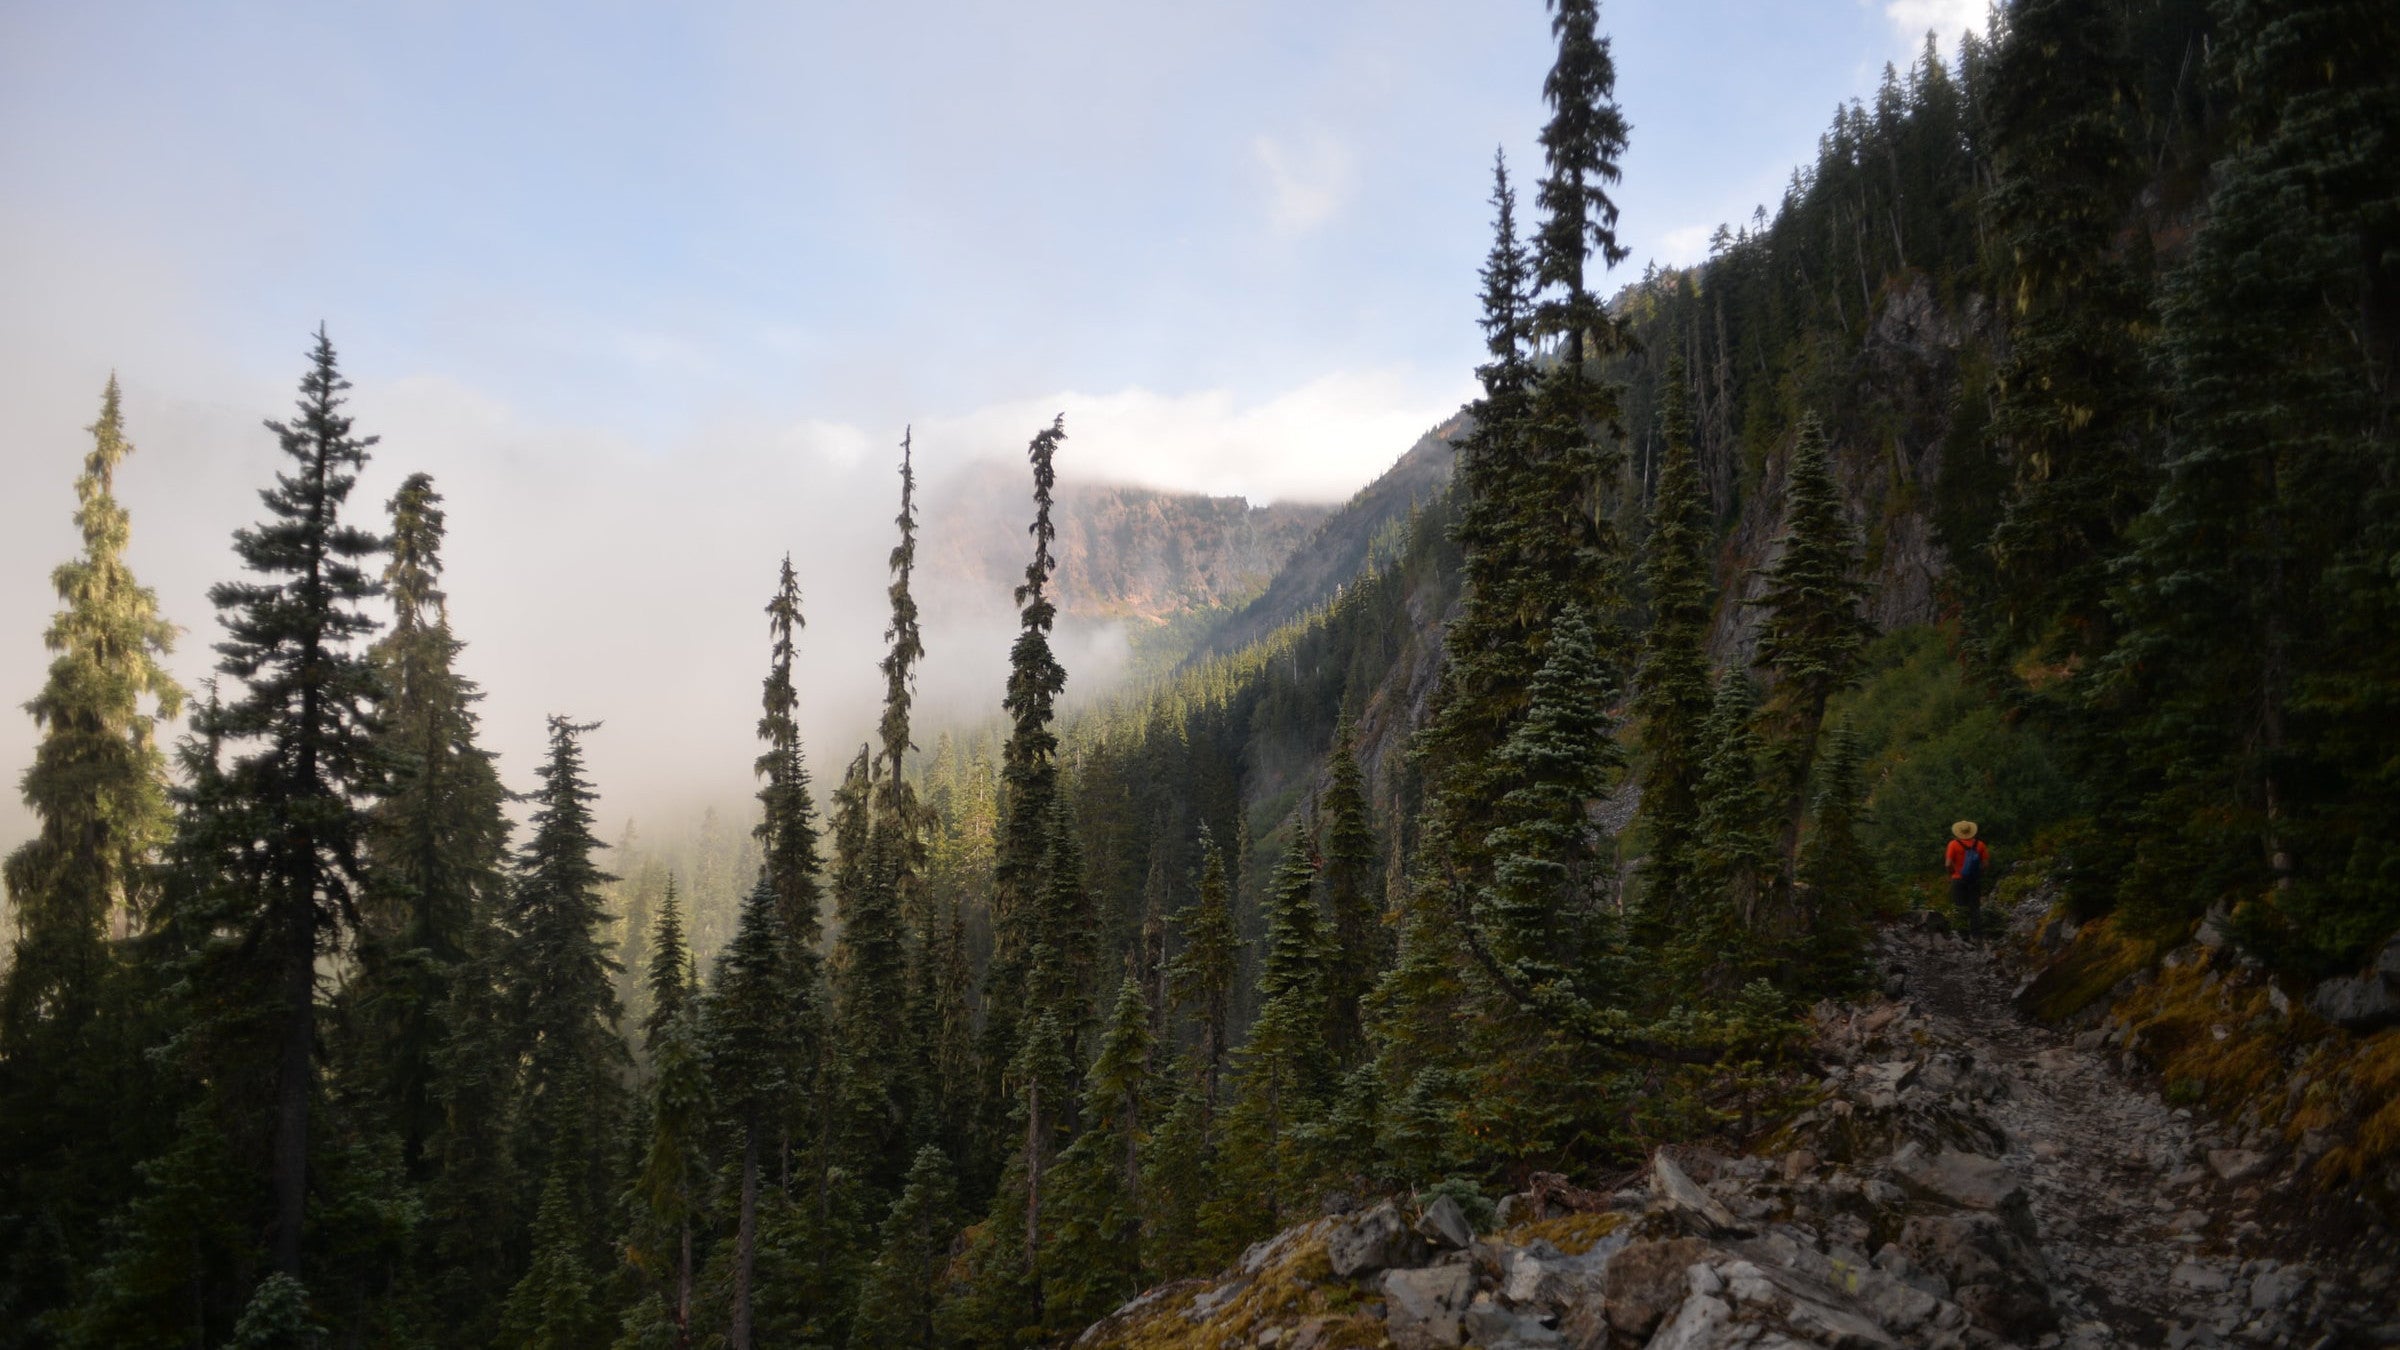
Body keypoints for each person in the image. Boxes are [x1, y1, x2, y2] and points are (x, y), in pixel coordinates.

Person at [1946, 821, 1990, 939]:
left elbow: (1948, 864)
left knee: (1959, 907)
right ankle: (1977, 935)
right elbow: (1986, 864)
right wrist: (1978, 874)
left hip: (1958, 879)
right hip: (1974, 880)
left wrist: (1952, 874)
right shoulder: (1980, 845)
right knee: (1975, 908)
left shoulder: (1953, 844)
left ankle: (1962, 936)